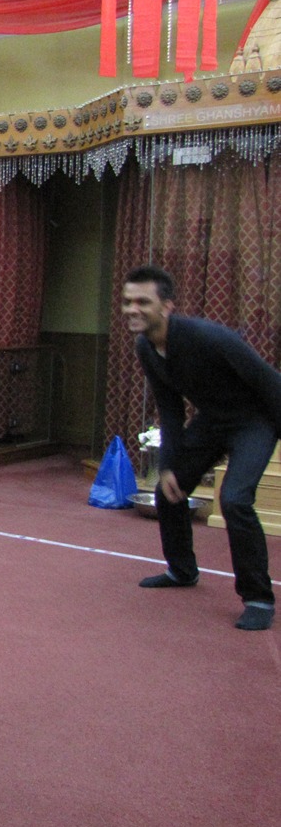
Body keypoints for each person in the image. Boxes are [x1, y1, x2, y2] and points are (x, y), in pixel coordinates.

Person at [122, 264, 281, 631]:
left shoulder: (209, 337)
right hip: (211, 421)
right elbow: (170, 408)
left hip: (254, 421)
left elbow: (268, 382)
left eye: (142, 302)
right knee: (170, 490)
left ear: (167, 306)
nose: (133, 309)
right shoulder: (145, 346)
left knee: (236, 500)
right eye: (128, 301)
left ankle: (258, 597)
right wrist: (167, 467)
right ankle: (181, 570)